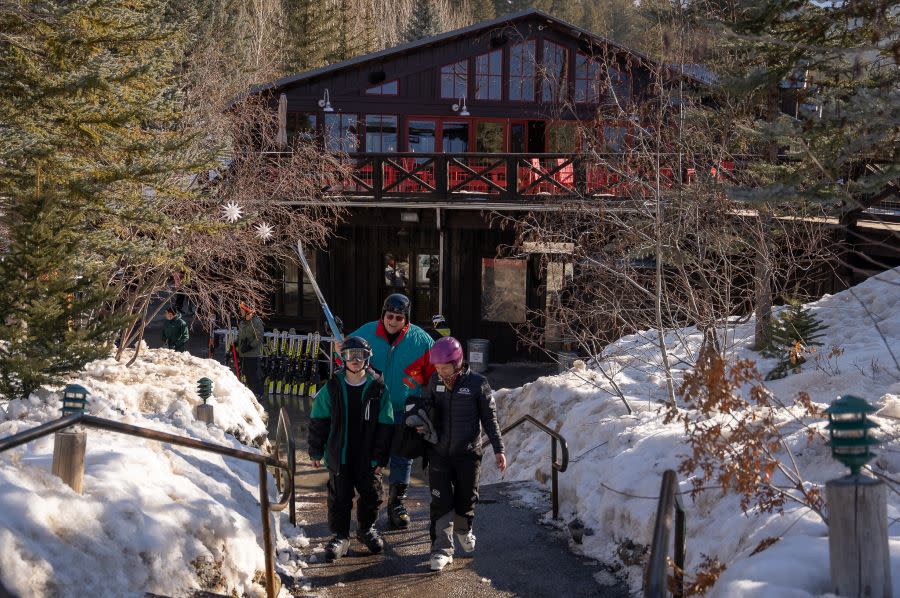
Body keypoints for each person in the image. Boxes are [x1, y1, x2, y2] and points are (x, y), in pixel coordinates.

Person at [340, 293, 434, 528]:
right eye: (389, 316)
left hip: (404, 409)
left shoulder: (421, 341)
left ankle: (397, 503)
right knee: (372, 455)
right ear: (383, 315)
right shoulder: (366, 332)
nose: (392, 321)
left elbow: (433, 376)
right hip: (373, 408)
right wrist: (339, 346)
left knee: (402, 457)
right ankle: (370, 501)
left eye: (398, 317)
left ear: (406, 319)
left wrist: (428, 407)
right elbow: (346, 358)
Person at [420, 336, 505, 572]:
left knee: (466, 499)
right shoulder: (434, 382)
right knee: (440, 501)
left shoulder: (478, 384)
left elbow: (490, 419)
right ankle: (441, 550)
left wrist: (499, 449)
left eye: (444, 367)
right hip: (438, 452)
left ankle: (464, 529)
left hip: (467, 454)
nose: (440, 372)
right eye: (436, 368)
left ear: (457, 363)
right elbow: (426, 408)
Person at [308, 336, 394, 562]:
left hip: (368, 456)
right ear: (341, 358)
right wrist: (316, 450)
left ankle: (366, 529)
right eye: (349, 355)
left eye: (360, 355)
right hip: (340, 454)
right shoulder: (333, 387)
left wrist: (381, 457)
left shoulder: (377, 387)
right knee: (339, 498)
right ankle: (340, 535)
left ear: (368, 358)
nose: (355, 360)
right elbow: (319, 419)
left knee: (371, 495)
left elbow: (387, 424)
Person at [236, 302, 265, 398]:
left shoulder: (256, 322)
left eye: (242, 310)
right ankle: (251, 393)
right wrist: (235, 343)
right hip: (243, 353)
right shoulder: (242, 322)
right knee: (247, 375)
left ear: (247, 311)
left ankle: (258, 393)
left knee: (254, 375)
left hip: (252, 354)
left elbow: (258, 337)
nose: (240, 311)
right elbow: (240, 336)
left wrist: (250, 346)